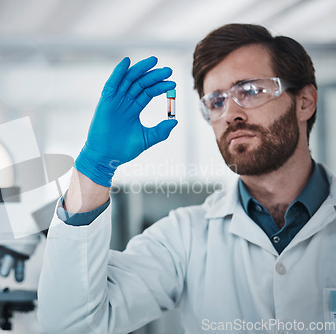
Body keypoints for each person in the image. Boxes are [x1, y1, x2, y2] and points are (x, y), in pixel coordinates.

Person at [37, 23, 336, 334]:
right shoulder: (184, 238)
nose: (231, 113)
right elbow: (69, 326)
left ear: (305, 102)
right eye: (217, 101)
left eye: (250, 91)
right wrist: (95, 165)